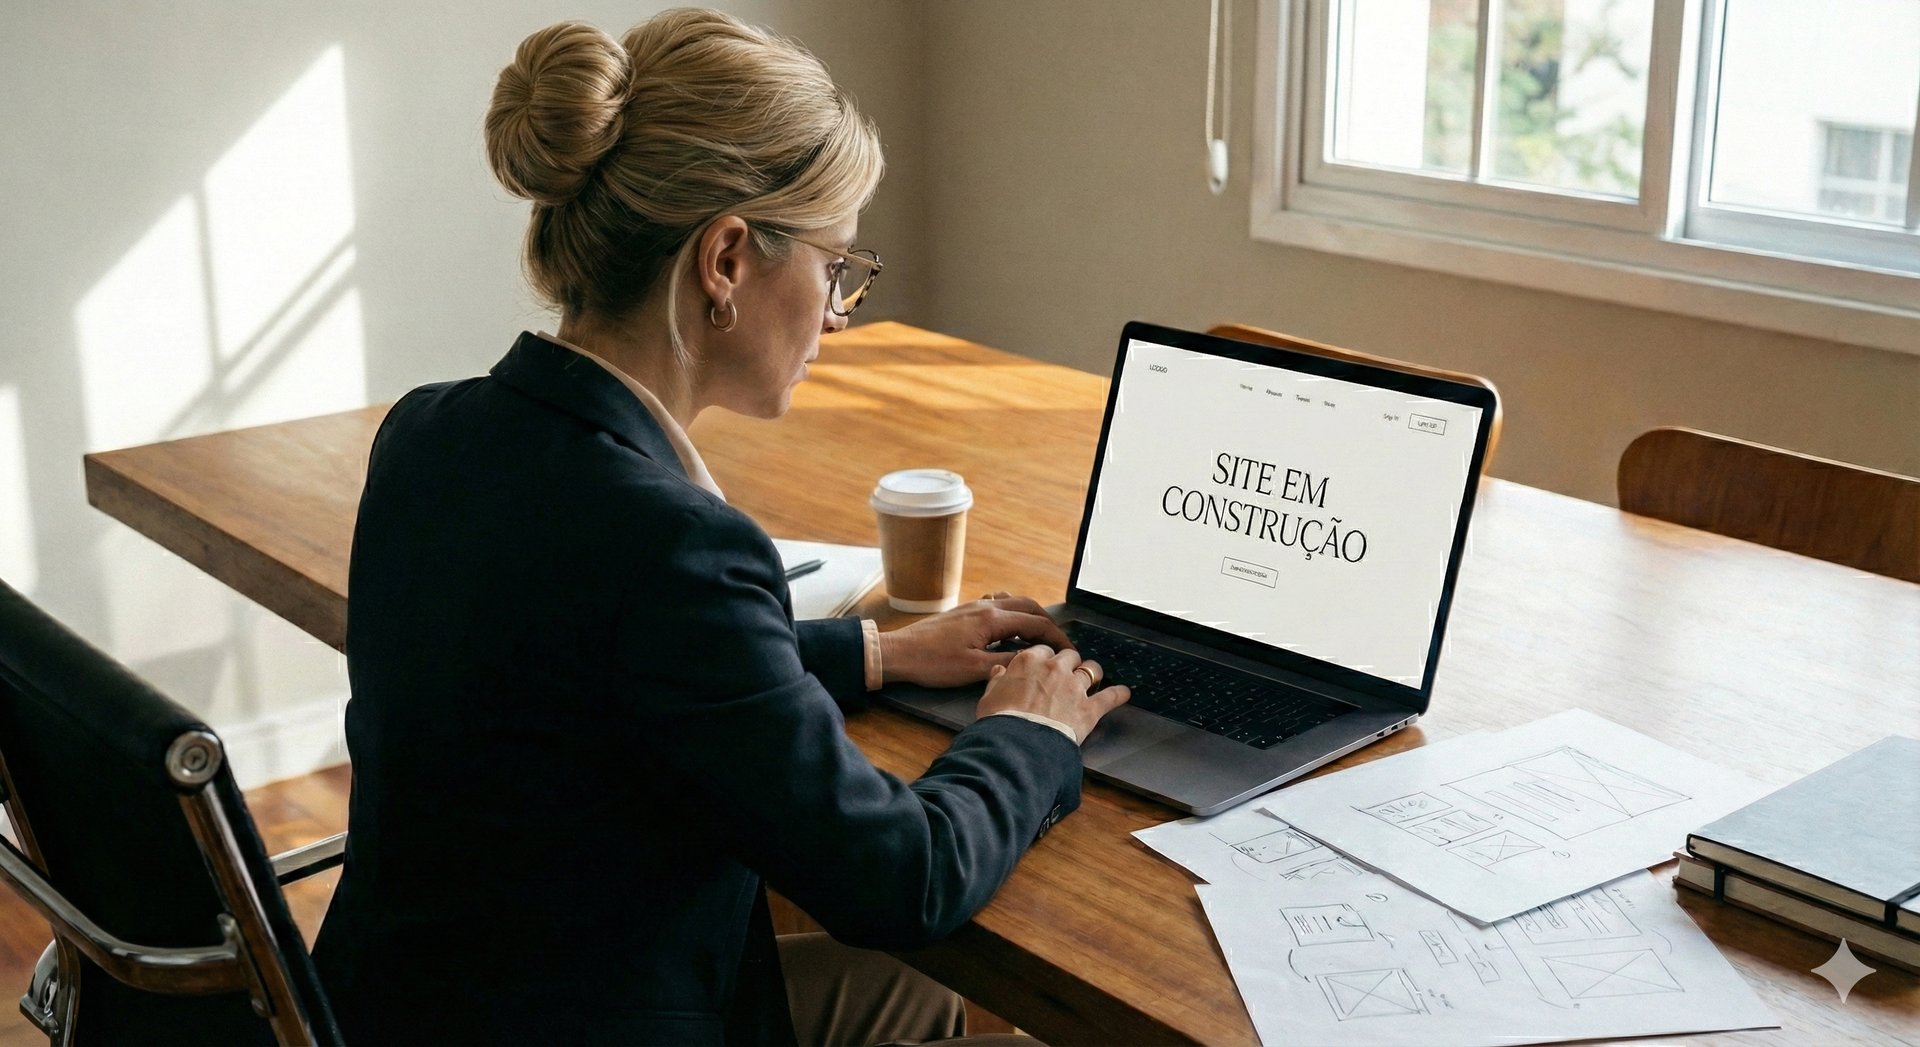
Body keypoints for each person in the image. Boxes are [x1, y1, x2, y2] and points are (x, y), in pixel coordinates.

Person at [309, 9, 1130, 1044]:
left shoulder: (430, 434)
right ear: (727, 260)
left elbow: (608, 664)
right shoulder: (675, 546)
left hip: (385, 1008)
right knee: (982, 998)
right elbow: (902, 878)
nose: (840, 314)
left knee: (916, 998)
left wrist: (877, 652)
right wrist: (1031, 733)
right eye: (836, 268)